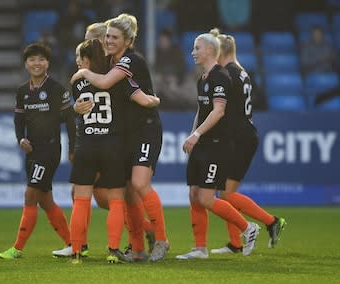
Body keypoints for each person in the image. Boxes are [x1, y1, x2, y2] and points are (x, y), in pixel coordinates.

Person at [71, 13, 169, 262]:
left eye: (114, 37)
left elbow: (107, 84)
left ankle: (161, 239)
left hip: (146, 129)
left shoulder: (129, 61)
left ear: (127, 40)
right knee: (124, 194)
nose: (108, 41)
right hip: (123, 135)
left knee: (138, 184)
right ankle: (137, 247)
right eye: (107, 37)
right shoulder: (112, 64)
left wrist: (82, 73)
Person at [175, 29, 260, 260]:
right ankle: (200, 248)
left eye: (197, 48)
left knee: (206, 198)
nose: (193, 52)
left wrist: (197, 135)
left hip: (217, 145)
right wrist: (194, 134)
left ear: (210, 50)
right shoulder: (202, 78)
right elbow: (201, 111)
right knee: (194, 195)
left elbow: (219, 111)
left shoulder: (221, 76)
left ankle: (248, 228)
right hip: (202, 143)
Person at [204, 30, 287, 256]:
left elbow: (221, 108)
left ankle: (271, 221)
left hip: (238, 138)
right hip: (243, 136)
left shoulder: (228, 74)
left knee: (226, 195)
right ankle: (235, 243)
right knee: (224, 192)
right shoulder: (241, 73)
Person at [0, 43, 75, 260]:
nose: (36, 63)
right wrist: (20, 138)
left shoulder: (57, 89)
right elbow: (18, 121)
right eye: (32, 60)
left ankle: (17, 248)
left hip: (49, 150)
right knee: (45, 200)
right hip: (32, 151)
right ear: (26, 64)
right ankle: (74, 244)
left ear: (47, 63)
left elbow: (70, 121)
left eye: (41, 59)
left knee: (30, 196)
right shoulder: (22, 91)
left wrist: (72, 149)